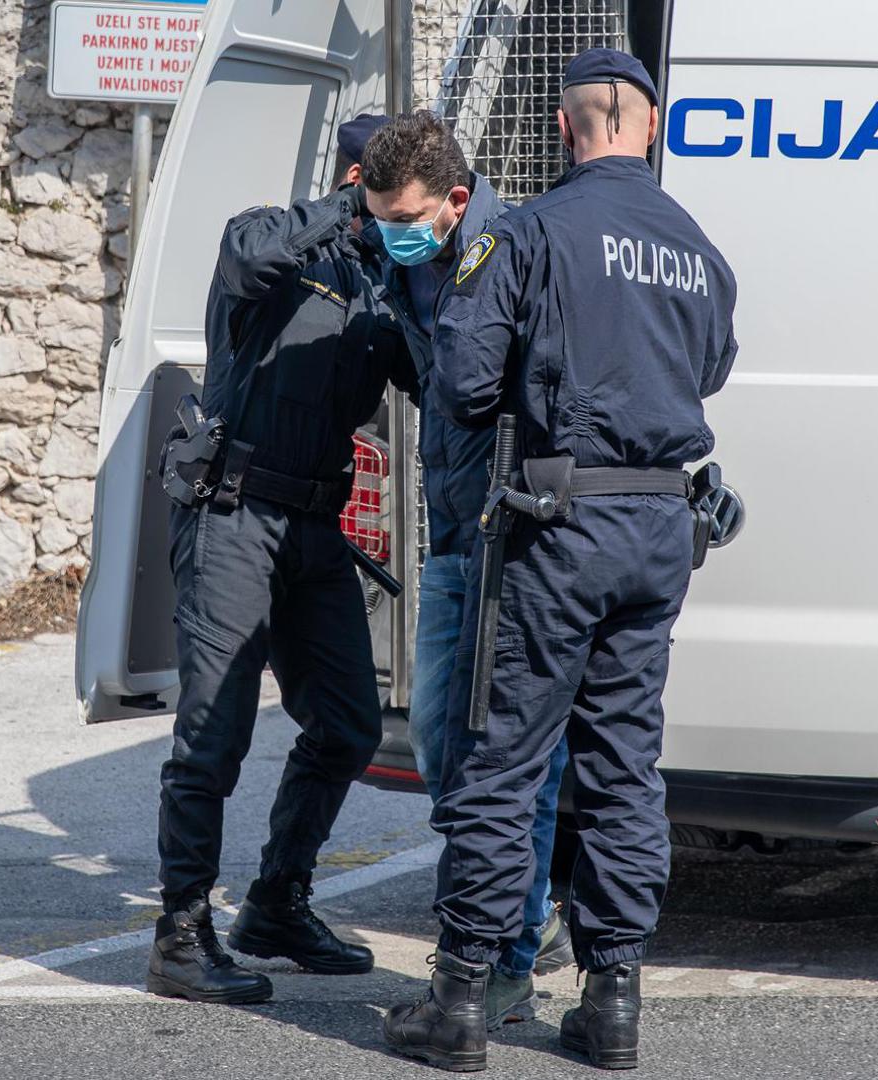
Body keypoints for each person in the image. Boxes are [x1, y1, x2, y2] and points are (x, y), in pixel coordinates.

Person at [381, 50, 738, 1071]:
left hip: (558, 525)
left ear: (561, 124)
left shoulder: (528, 234)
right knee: (623, 767)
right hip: (659, 529)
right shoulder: (698, 252)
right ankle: (612, 1002)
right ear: (654, 130)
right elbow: (707, 369)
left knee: (503, 760)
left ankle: (458, 1002)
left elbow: (460, 379)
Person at [148, 113, 418, 1004]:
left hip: (313, 530)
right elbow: (248, 261)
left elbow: (441, 377)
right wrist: (343, 207)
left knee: (346, 724)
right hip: (233, 512)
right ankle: (181, 936)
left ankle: (274, 903)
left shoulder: (385, 284)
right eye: (384, 188)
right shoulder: (270, 235)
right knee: (211, 735)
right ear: (355, 177)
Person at [356, 111, 573, 1029]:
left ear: (453, 199)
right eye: (377, 218)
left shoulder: (511, 252)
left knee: (505, 759)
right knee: (447, 754)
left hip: (509, 538)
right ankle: (501, 933)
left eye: (401, 216)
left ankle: (508, 956)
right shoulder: (416, 257)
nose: (390, 233)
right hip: (450, 534)